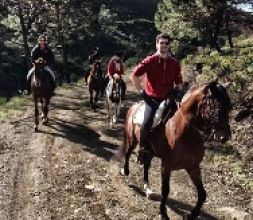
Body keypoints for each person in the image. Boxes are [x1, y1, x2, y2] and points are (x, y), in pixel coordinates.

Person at [130, 33, 183, 164]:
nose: (164, 45)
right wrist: (142, 92)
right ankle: (142, 150)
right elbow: (134, 76)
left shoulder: (174, 63)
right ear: (157, 44)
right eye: (161, 43)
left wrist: (177, 90)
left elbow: (179, 82)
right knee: (146, 123)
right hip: (152, 99)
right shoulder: (150, 60)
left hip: (169, 99)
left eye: (166, 43)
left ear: (169, 45)